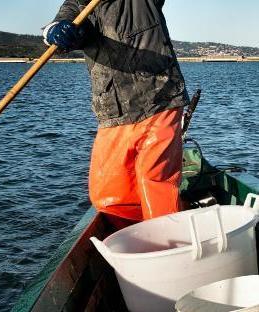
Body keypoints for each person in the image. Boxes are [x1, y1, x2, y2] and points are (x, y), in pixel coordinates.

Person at [43, 0, 190, 226]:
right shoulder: (77, 4)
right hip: (112, 109)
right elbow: (59, 24)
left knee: (155, 181)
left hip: (159, 97)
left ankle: (168, 245)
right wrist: (55, 31)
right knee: (109, 194)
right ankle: (134, 244)